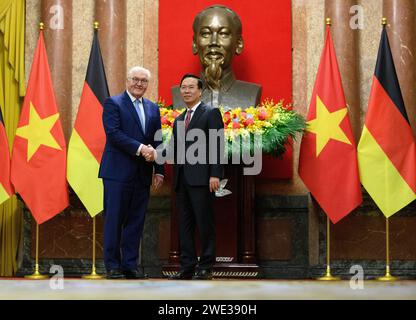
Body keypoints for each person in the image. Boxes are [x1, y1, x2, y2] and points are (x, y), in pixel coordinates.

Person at [99, 66, 164, 279]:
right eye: (135, 79)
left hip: (143, 174)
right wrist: (141, 149)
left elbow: (157, 141)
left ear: (148, 84)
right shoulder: (113, 103)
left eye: (144, 81)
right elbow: (114, 134)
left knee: (136, 222)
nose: (139, 84)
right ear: (127, 80)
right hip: (117, 173)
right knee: (114, 220)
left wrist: (159, 170)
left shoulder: (153, 109)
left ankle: (129, 266)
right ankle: (113, 267)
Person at [168, 74, 224, 280]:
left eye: (191, 87)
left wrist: (215, 174)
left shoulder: (210, 113)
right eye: (183, 87)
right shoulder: (179, 119)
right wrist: (152, 154)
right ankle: (187, 266)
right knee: (184, 225)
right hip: (181, 180)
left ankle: (206, 267)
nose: (186, 91)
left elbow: (218, 145)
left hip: (203, 179)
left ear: (200, 91)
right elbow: (173, 149)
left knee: (204, 223)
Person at [172, 5, 261, 109]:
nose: (214, 42)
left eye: (223, 34)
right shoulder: (178, 94)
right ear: (195, 44)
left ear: (238, 44)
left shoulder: (251, 94)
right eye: (206, 34)